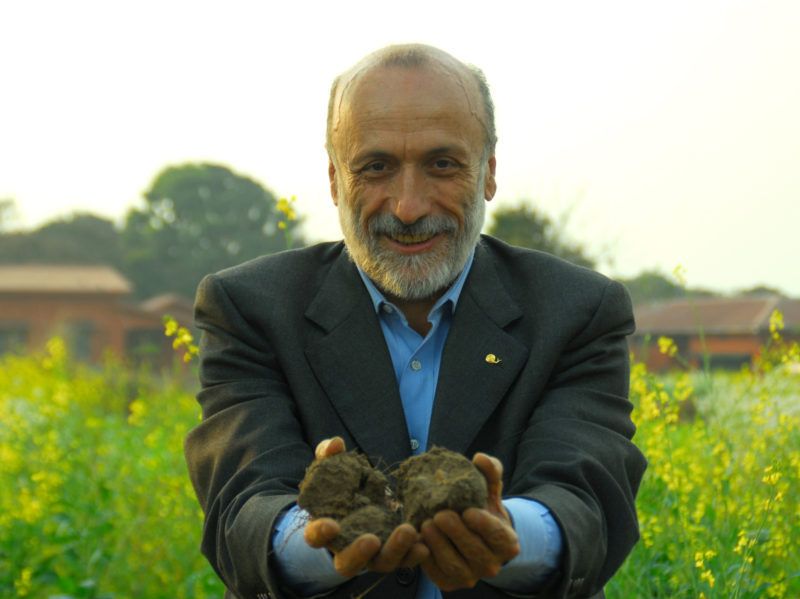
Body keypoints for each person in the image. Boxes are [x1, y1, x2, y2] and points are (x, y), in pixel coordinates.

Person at [185, 44, 647, 599]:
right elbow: (242, 505)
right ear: (334, 179)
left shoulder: (578, 311)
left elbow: (587, 498)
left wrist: (508, 534)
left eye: (442, 165)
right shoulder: (248, 309)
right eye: (375, 167)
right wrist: (319, 539)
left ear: (489, 173)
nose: (408, 207)